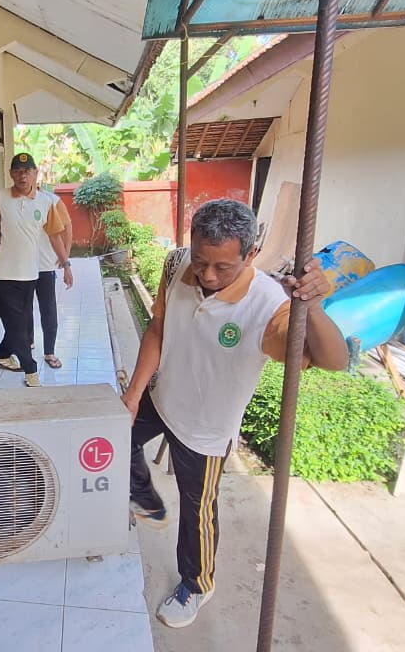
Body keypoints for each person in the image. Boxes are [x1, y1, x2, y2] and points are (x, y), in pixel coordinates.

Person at [119, 199, 349, 629]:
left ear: (251, 254)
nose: (207, 275)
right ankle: (138, 498)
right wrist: (133, 396)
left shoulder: (270, 307)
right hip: (162, 395)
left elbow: (335, 361)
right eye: (201, 260)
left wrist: (314, 307)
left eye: (222, 267)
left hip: (206, 426)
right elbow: (158, 329)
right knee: (115, 443)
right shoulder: (176, 263)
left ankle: (197, 584)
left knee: (197, 510)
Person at [0, 152, 72, 387]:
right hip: (2, 273)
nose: (22, 176)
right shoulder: (0, 198)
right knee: (17, 325)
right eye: (17, 171)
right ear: (11, 174)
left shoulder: (46, 203)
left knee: (18, 323)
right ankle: (31, 370)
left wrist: (66, 264)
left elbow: (55, 236)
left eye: (27, 171)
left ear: (35, 174)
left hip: (30, 274)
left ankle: (3, 355)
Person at [31, 185, 74, 369]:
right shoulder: (16, 201)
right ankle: (28, 342)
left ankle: (49, 351)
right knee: (23, 309)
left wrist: (65, 257)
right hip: (22, 266)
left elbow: (67, 227)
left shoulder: (52, 201)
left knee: (48, 309)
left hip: (45, 265)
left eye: (29, 173)